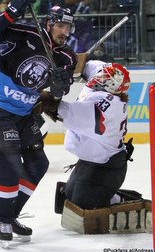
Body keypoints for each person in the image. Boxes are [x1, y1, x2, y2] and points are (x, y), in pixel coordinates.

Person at [0, 0, 77, 245]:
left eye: (69, 28)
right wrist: (12, 10)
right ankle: (2, 220)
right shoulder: (27, 33)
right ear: (49, 22)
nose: (65, 33)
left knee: (38, 164)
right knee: (10, 161)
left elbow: (59, 91)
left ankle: (10, 216)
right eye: (62, 27)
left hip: (23, 114)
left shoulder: (66, 56)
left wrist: (58, 85)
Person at [36, 60, 133, 210]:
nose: (99, 77)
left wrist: (46, 96)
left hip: (108, 166)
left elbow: (62, 111)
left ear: (111, 86)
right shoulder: (108, 82)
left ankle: (121, 200)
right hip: (91, 159)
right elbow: (86, 64)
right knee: (68, 196)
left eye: (103, 78)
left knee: (84, 203)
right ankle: (101, 192)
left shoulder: (108, 105)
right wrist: (69, 66)